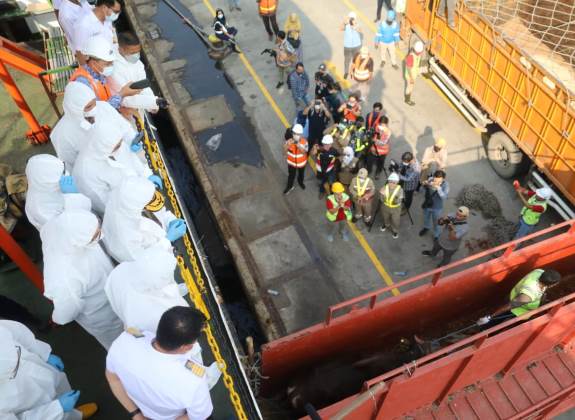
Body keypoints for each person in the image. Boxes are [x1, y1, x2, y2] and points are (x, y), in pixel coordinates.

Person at [106, 307, 217, 420]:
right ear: (186, 347)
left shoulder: (124, 341)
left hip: (143, 412)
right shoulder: (194, 381)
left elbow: (113, 379)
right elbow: (200, 417)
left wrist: (136, 414)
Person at [40, 209, 124, 349]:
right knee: (120, 345)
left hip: (114, 292)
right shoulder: (63, 277)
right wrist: (56, 318)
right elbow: (66, 312)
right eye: (96, 236)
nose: (101, 236)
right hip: (105, 315)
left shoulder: (60, 227)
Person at [0, 320, 98, 419]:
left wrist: (44, 354)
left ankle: (76, 415)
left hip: (45, 373)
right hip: (38, 409)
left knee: (64, 395)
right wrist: (57, 409)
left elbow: (19, 335)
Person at [72, 111, 152, 213]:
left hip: (141, 193)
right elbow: (106, 205)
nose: (121, 146)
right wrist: (136, 203)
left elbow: (132, 163)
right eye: (118, 146)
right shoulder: (86, 172)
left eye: (120, 142)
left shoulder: (113, 143)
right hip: (125, 209)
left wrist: (147, 176)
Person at [109, 32, 169, 119]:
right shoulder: (113, 68)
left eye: (138, 51)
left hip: (137, 107)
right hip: (121, 111)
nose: (136, 55)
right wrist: (153, 101)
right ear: (121, 49)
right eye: (133, 52)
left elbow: (143, 85)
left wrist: (153, 105)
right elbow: (125, 99)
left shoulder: (138, 64)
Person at [69, 35, 141, 108]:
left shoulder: (99, 75)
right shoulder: (82, 83)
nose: (111, 66)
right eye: (107, 64)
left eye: (112, 63)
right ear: (93, 63)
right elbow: (96, 112)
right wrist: (121, 94)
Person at [25, 154, 91, 231]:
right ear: (49, 180)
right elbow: (70, 226)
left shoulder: (43, 182)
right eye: (62, 173)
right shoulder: (40, 209)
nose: (66, 174)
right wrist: (73, 197)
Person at [476, 269, 561, 328]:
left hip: (514, 296)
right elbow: (510, 305)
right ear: (551, 285)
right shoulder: (528, 294)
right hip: (517, 310)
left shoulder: (539, 272)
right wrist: (489, 317)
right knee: (497, 321)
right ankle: (487, 329)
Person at [50, 82, 97, 170]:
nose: (94, 109)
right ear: (75, 108)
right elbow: (71, 165)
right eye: (89, 107)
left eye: (95, 103)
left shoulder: (101, 110)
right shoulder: (61, 135)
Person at [419, 170, 449, 238]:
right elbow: (422, 191)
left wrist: (438, 188)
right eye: (435, 180)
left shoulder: (446, 185)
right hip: (427, 205)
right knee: (426, 218)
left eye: (438, 181)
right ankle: (426, 227)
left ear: (443, 179)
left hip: (437, 208)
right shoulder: (430, 179)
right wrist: (423, 185)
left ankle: (436, 235)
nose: (436, 182)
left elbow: (444, 197)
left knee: (436, 223)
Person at [312, 135, 340, 199]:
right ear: (323, 143)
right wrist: (314, 149)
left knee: (331, 183)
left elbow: (339, 157)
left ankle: (332, 195)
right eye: (325, 144)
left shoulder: (334, 151)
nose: (327, 146)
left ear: (331, 144)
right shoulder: (319, 150)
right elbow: (313, 153)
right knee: (322, 181)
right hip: (321, 170)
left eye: (329, 144)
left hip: (330, 170)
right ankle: (322, 190)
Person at [283, 124, 308, 194]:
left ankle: (300, 182)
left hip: (301, 164)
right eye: (294, 133)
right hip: (291, 164)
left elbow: (304, 152)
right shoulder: (289, 141)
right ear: (292, 133)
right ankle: (289, 186)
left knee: (301, 174)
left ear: (301, 134)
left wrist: (298, 145)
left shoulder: (304, 142)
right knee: (291, 176)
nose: (296, 135)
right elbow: (284, 151)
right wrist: (287, 145)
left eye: (298, 134)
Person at [366, 114, 391, 179]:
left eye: (383, 125)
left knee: (380, 163)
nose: (381, 126)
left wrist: (375, 140)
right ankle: (369, 171)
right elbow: (375, 133)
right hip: (374, 148)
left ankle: (378, 173)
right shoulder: (378, 127)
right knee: (369, 160)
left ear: (386, 124)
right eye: (380, 124)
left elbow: (383, 143)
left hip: (382, 151)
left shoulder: (388, 132)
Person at [380, 172, 403, 239]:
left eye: (394, 182)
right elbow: (382, 199)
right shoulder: (384, 188)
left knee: (395, 220)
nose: (392, 184)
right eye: (390, 182)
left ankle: (395, 230)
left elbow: (398, 201)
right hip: (385, 207)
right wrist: (382, 195)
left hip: (396, 208)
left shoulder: (400, 190)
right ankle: (386, 224)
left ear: (397, 183)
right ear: (388, 181)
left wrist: (395, 199)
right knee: (385, 217)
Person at [341, 12, 363, 79]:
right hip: (347, 45)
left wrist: (355, 26)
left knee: (356, 59)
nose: (351, 19)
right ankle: (346, 72)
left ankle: (355, 71)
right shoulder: (346, 24)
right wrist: (344, 23)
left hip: (356, 45)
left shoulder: (358, 24)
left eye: (352, 18)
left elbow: (360, 30)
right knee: (347, 60)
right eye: (350, 18)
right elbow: (341, 29)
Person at [404, 41, 425, 106]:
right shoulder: (411, 56)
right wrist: (411, 78)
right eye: (420, 51)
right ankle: (407, 100)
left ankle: (407, 98)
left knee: (424, 69)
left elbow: (425, 45)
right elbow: (408, 68)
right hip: (410, 75)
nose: (421, 52)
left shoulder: (416, 52)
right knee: (410, 87)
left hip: (415, 72)